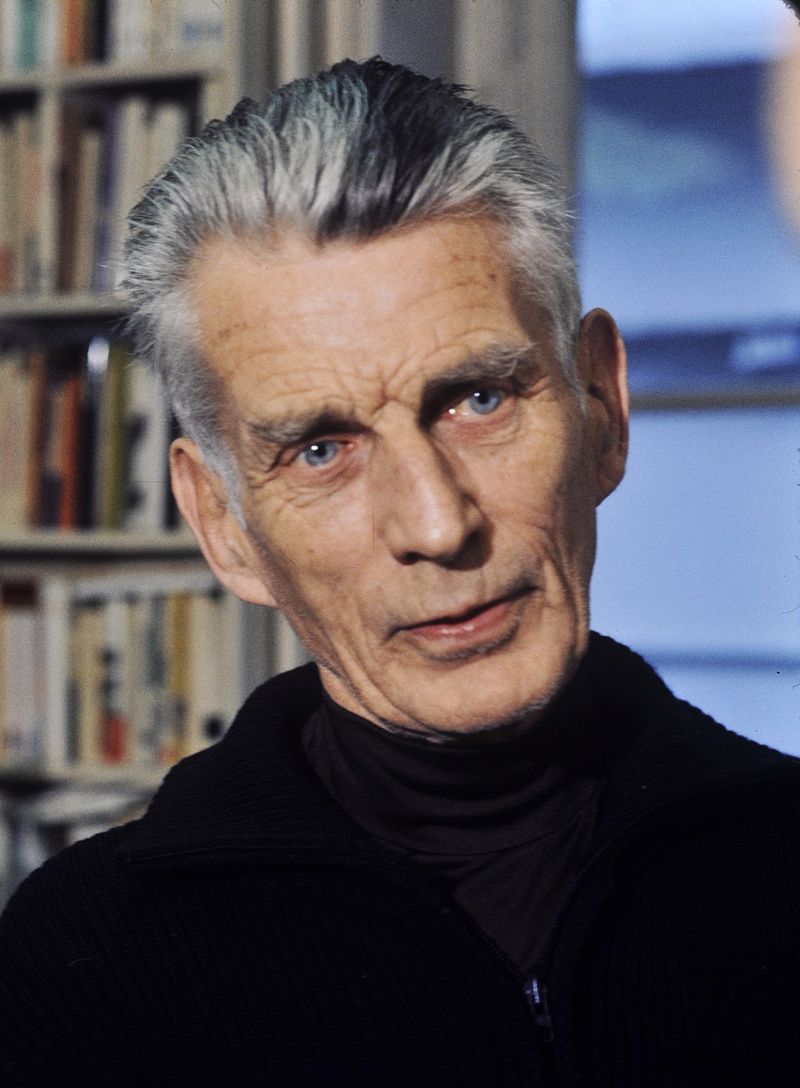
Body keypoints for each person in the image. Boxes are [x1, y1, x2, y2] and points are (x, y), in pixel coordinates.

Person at [1, 58, 799, 1088]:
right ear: (223, 524)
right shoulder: (74, 966)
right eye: (319, 449)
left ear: (600, 406)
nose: (436, 524)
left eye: (477, 399)